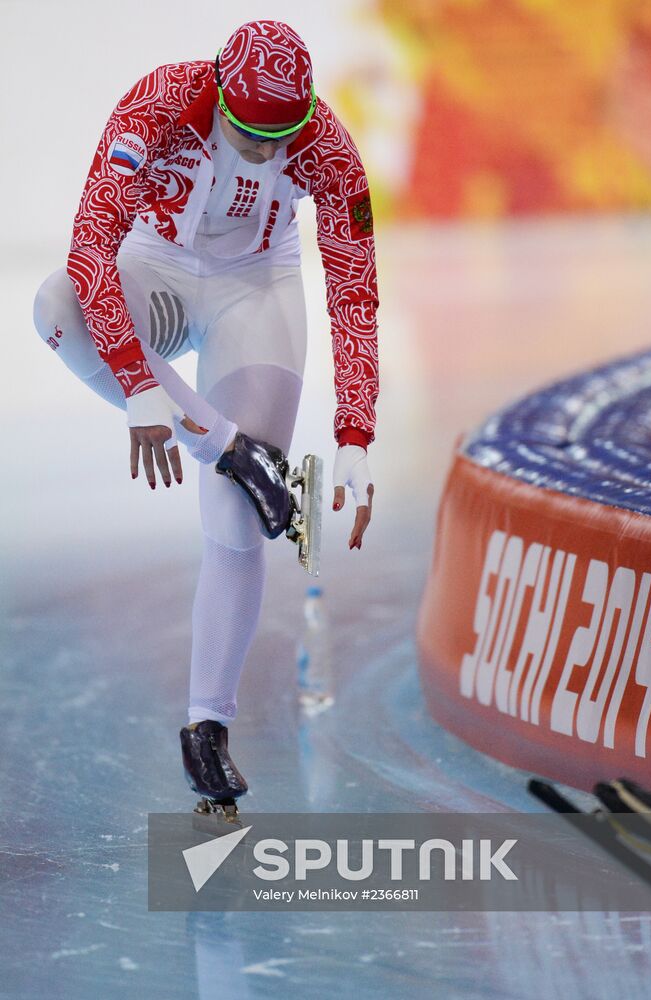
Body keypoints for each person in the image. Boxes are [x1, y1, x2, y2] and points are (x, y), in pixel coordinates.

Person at [33, 20, 378, 817]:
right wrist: (139, 386)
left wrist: (357, 432)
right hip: (151, 269)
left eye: (280, 140)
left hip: (255, 289)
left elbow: (353, 291)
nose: (264, 155)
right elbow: (90, 247)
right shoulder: (157, 101)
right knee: (55, 305)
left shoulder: (326, 143)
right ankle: (233, 446)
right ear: (219, 96)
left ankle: (206, 727)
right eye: (250, 135)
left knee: (233, 515)